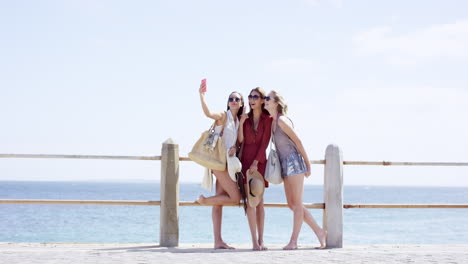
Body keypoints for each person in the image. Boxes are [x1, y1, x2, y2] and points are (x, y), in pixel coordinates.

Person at [264, 90, 327, 250]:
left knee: (297, 204)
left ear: (276, 103)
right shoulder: (272, 121)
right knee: (292, 204)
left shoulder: (282, 121)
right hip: (284, 164)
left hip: (294, 162)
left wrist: (308, 163)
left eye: (267, 98)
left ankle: (294, 242)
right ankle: (320, 232)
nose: (265, 101)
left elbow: (298, 141)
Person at [196, 81, 243, 249]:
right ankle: (204, 200)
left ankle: (218, 241)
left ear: (241, 103)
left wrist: (234, 148)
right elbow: (208, 113)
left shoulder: (238, 121)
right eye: (231, 98)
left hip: (226, 164)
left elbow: (236, 142)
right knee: (236, 198)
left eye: (237, 99)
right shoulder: (224, 116)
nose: (233, 101)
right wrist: (202, 96)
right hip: (218, 163)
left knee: (219, 203)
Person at [238, 87, 272, 251]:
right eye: (250, 96)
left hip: (260, 163)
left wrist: (256, 162)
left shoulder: (268, 119)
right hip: (245, 163)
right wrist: (242, 122)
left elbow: (265, 142)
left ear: (261, 100)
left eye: (255, 97)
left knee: (260, 203)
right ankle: (254, 242)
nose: (251, 99)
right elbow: (240, 140)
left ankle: (261, 240)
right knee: (250, 202)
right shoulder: (245, 118)